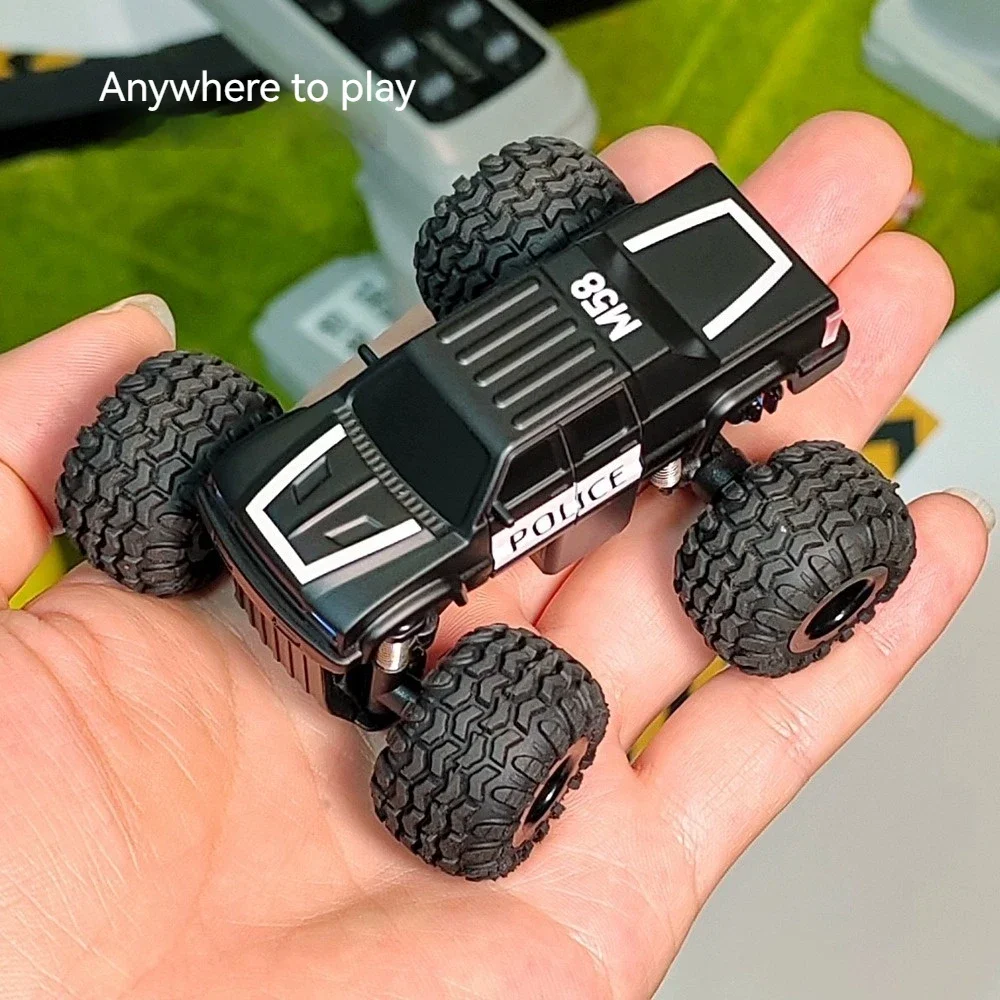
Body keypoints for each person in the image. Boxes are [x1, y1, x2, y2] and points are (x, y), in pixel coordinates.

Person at [0, 112, 991, 999]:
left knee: (506, 727)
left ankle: (777, 531)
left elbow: (487, 738)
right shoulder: (350, 415)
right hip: (411, 400)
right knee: (515, 236)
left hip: (589, 420)